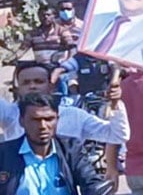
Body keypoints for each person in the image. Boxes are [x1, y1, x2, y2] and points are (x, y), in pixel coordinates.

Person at [0, 62, 130, 144]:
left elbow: (117, 136)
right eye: (26, 82)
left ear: (52, 87)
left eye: (38, 81)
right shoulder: (9, 113)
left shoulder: (74, 116)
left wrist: (115, 104)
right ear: (17, 89)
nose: (32, 86)